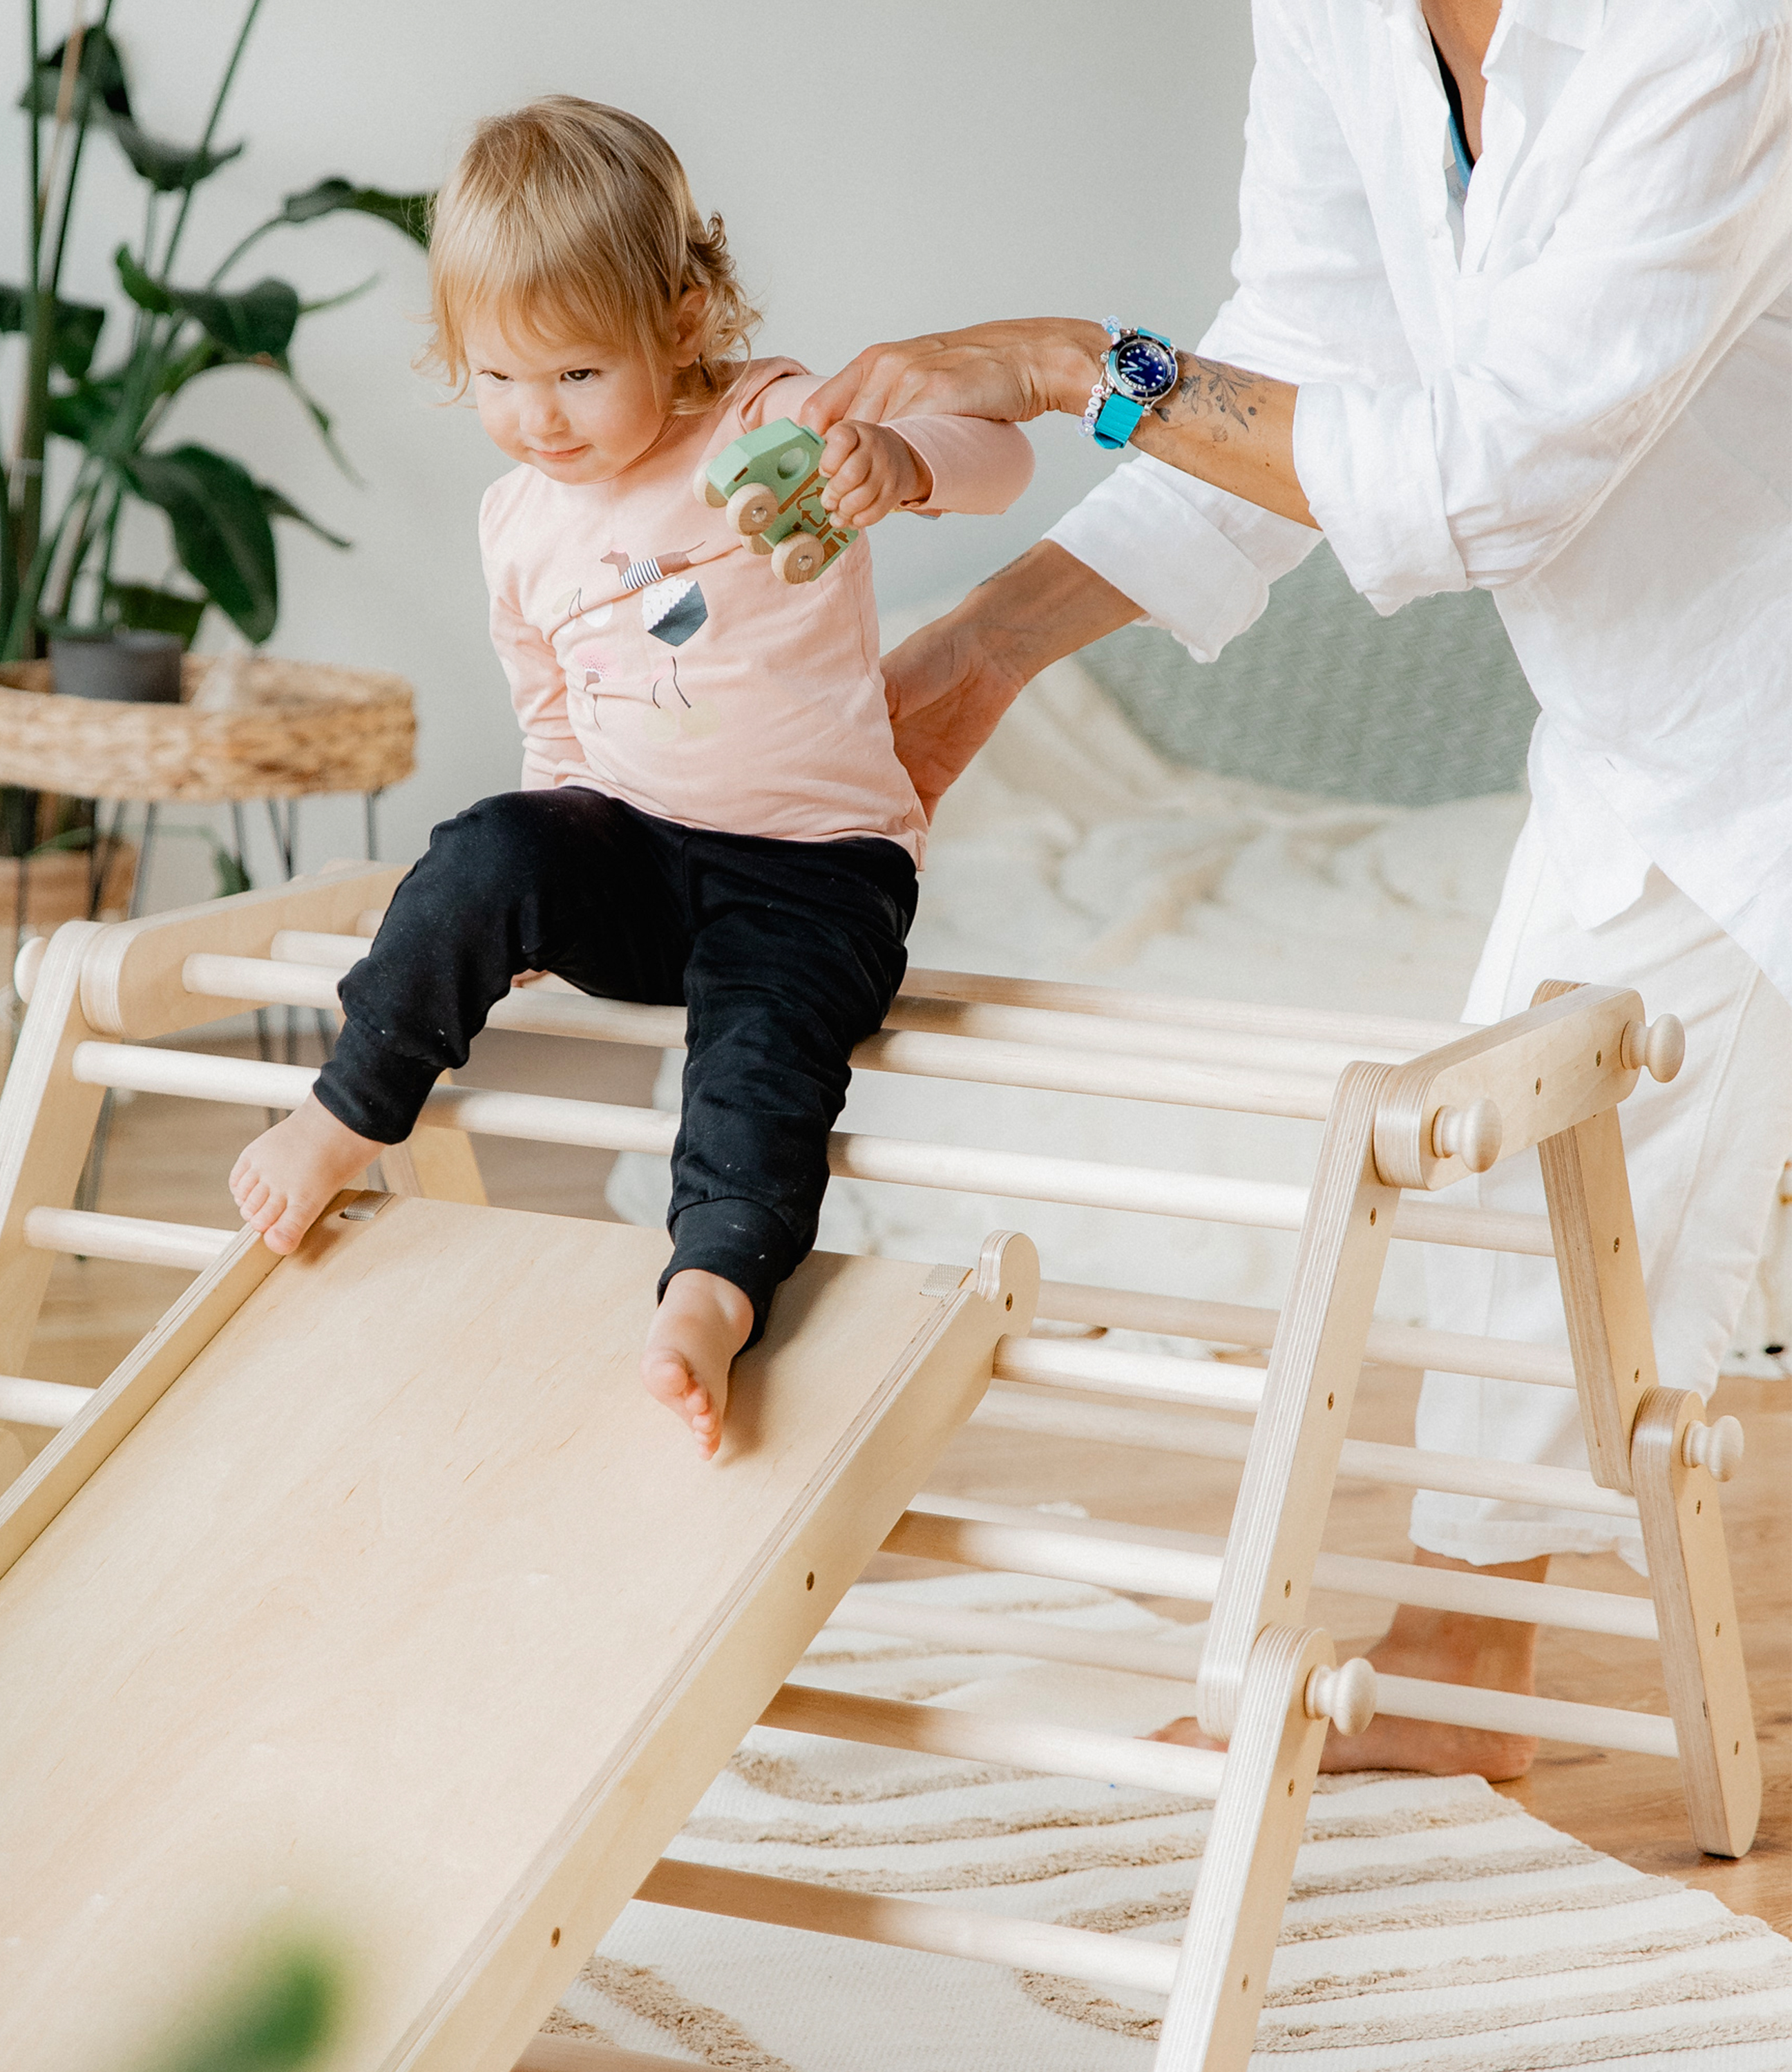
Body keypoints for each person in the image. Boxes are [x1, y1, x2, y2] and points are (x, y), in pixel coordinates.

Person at [799, 0, 1792, 1776]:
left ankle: (1476, 1661)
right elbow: (1305, 355)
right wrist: (977, 657)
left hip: (1756, 689)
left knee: (1583, 1187)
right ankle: (1467, 1665)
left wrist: (1063, 360)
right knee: (1541, 1193)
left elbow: (1473, 482)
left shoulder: (1713, 25)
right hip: (1655, 719)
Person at [228, 97, 1032, 1459]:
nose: (536, 419)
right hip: (637, 850)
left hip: (818, 867)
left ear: (680, 321)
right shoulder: (518, 519)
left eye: (579, 376)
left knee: (761, 1063)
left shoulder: (774, 422)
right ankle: (348, 1107)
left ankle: (710, 1293)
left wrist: (896, 465)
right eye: (498, 378)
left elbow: (1004, 461)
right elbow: (553, 710)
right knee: (484, 846)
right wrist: (538, 879)